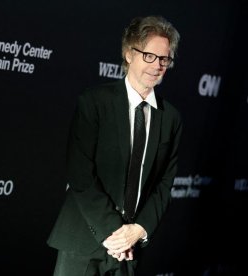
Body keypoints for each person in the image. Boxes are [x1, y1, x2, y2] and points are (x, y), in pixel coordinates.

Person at [47, 15, 182, 276]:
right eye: (149, 56)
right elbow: (80, 174)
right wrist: (114, 232)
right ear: (129, 54)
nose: (158, 66)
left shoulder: (171, 118)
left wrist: (139, 229)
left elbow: (164, 184)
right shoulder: (95, 102)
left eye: (164, 59)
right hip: (84, 240)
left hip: (130, 249)